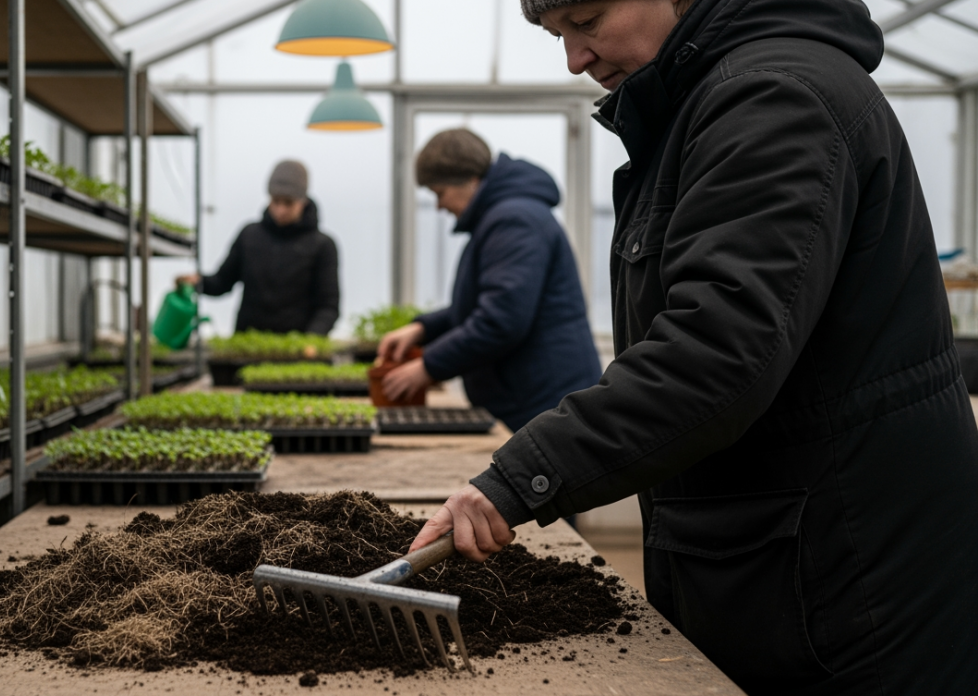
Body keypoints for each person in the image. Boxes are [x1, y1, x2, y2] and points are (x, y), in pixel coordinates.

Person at [409, 1, 978, 694]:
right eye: (559, 37)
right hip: (795, 556)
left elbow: (715, 353)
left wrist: (516, 481)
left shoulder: (773, 100)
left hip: (850, 582)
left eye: (586, 21)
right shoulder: (712, 99)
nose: (575, 59)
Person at [377, 128, 601, 431]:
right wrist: (422, 329)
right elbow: (488, 304)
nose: (440, 206)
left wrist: (429, 367)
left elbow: (501, 320)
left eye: (440, 193)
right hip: (536, 397)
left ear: (471, 181)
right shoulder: (505, 216)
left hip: (546, 403)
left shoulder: (514, 221)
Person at [178, 160, 340, 335]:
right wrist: (198, 282)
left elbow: (328, 306)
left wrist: (309, 341)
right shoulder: (250, 235)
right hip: (247, 344)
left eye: (288, 203)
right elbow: (222, 282)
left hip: (295, 351)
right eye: (276, 201)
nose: (281, 210)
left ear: (303, 201)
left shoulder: (323, 246)